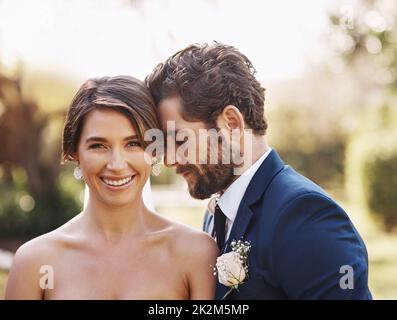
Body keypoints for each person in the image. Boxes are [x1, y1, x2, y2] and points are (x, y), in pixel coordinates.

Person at [146, 42, 372, 299]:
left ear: (231, 123)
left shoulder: (305, 215)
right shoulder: (216, 214)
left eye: (179, 140)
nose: (169, 159)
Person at [5, 75, 218, 300]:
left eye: (133, 144)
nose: (117, 164)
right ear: (74, 152)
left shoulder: (195, 254)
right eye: (98, 146)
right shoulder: (34, 262)